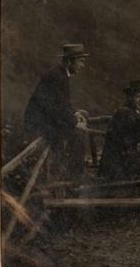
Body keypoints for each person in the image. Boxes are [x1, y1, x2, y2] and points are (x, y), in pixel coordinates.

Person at [23, 43, 90, 180]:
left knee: (74, 134)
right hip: (39, 123)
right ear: (70, 61)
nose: (82, 66)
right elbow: (54, 108)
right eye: (81, 62)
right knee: (79, 134)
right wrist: (74, 123)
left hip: (48, 119)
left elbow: (63, 103)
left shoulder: (61, 74)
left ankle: (68, 173)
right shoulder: (56, 76)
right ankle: (75, 177)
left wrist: (74, 113)